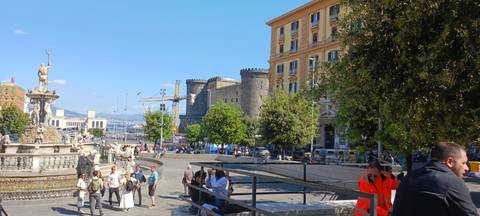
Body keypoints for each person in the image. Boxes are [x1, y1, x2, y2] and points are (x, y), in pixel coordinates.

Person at [393, 142, 478, 216]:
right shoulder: (452, 183)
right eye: (463, 163)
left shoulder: (409, 178)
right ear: (450, 161)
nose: (466, 168)